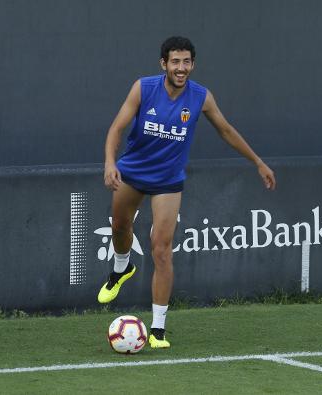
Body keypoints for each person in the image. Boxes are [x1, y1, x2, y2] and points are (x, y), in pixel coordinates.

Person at [97, 36, 276, 349]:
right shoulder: (143, 88)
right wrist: (110, 163)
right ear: (163, 64)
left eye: (186, 62)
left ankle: (158, 330)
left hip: (168, 180)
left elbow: (227, 130)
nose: (181, 68)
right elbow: (116, 129)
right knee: (120, 227)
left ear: (193, 64)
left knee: (161, 249)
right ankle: (122, 267)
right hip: (133, 172)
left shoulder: (201, 97)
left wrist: (258, 162)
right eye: (175, 62)